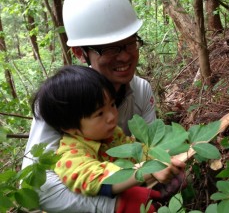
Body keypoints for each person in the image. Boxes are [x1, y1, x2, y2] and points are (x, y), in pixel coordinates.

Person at [22, 0, 185, 212]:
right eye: (109, 48)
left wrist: (163, 163)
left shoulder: (140, 90)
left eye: (130, 43)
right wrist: (119, 204)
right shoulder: (62, 101)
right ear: (80, 53)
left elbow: (149, 147)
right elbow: (36, 188)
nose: (126, 56)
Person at [31, 65, 183, 212]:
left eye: (112, 105)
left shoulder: (112, 134)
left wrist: (164, 156)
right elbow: (97, 180)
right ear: (69, 127)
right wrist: (149, 170)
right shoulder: (69, 155)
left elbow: (135, 150)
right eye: (99, 114)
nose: (112, 116)